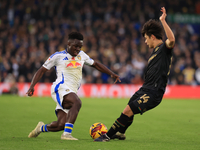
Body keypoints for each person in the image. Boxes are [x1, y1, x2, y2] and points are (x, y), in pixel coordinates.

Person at [94, 7, 175, 142]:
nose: (145, 41)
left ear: (152, 37)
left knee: (128, 110)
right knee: (128, 109)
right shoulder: (155, 52)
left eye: (146, 38)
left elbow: (171, 39)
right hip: (145, 89)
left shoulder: (164, 49)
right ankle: (121, 133)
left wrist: (163, 21)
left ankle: (107, 135)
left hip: (153, 92)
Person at [27, 32, 121, 140]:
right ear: (68, 43)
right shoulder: (58, 56)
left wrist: (111, 73)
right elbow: (41, 70)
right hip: (60, 88)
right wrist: (32, 86)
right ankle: (66, 135)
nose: (78, 49)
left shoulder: (82, 55)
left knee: (61, 124)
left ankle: (40, 128)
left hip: (71, 91)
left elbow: (95, 64)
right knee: (77, 102)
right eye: (75, 46)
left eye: (80, 47)